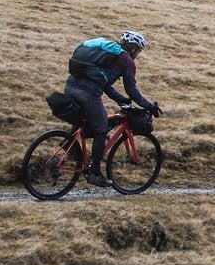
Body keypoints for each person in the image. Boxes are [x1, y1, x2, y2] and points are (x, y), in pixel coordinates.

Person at [67, 30, 159, 187]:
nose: (138, 54)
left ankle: (68, 144)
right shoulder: (126, 60)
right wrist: (149, 106)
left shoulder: (108, 55)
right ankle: (95, 174)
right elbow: (131, 89)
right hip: (88, 94)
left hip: (70, 87)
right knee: (101, 128)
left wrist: (121, 99)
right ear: (133, 48)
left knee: (85, 120)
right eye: (139, 50)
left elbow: (103, 83)